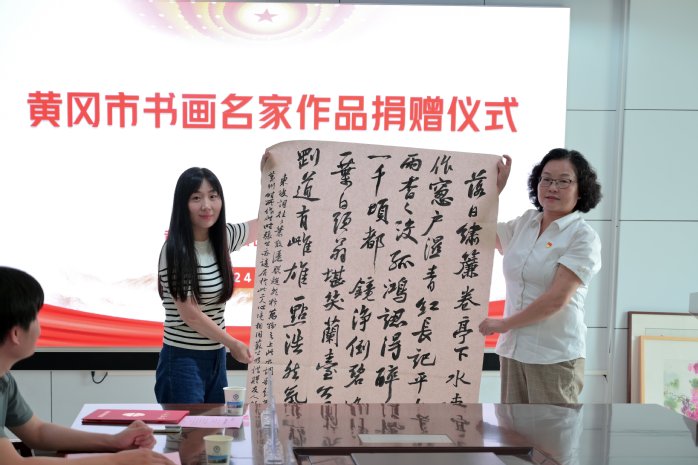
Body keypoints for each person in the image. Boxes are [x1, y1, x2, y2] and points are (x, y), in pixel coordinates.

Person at [0, 266, 175, 465]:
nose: (40, 329)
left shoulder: (4, 379)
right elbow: (12, 463)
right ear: (16, 334)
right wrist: (117, 461)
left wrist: (113, 442)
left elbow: (37, 432)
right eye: (35, 318)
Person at [479, 149, 602, 403]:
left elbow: (556, 299)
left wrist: (504, 324)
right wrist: (494, 191)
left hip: (553, 356)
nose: (552, 187)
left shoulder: (583, 237)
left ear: (581, 190)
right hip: (513, 352)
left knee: (551, 430)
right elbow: (475, 231)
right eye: (546, 179)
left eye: (563, 181)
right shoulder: (526, 223)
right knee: (512, 427)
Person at [154, 167, 259, 404]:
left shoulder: (223, 237)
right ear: (183, 204)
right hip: (182, 361)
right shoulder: (175, 250)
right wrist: (232, 343)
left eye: (213, 196)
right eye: (196, 198)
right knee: (190, 429)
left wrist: (270, 171)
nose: (206, 206)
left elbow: (269, 221)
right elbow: (190, 315)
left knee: (216, 428)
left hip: (216, 358)